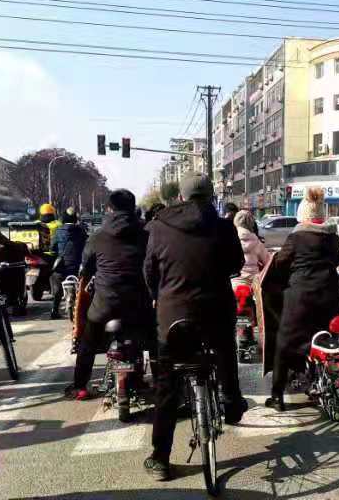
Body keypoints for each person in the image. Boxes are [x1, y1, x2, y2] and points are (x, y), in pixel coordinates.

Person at [144, 172, 247, 480]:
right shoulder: (224, 226)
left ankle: (160, 459)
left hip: (173, 315)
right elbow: (237, 264)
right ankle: (231, 403)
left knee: (167, 384)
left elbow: (149, 271)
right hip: (216, 311)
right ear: (211, 196)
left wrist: (158, 294)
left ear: (181, 197)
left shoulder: (159, 226)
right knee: (225, 349)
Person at [67, 190, 154, 400]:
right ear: (133, 208)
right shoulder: (146, 234)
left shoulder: (97, 236)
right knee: (154, 340)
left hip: (105, 303)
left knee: (87, 342)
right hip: (138, 303)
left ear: (109, 209)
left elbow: (86, 269)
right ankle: (162, 383)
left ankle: (80, 386)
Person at [266, 187, 339, 412]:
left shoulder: (297, 237)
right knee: (333, 340)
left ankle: (277, 396)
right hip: (332, 297)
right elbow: (337, 260)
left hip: (302, 298)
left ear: (303, 215)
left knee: (284, 343)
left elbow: (280, 263)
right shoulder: (331, 237)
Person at [49, 210, 88, 319]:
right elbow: (87, 247)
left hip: (62, 267)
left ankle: (54, 310)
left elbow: (52, 248)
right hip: (77, 266)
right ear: (75, 219)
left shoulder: (58, 231)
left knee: (55, 281)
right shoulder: (81, 231)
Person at [232, 209, 270, 287]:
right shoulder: (256, 241)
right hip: (253, 281)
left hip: (235, 280)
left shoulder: (230, 239)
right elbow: (267, 261)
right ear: (251, 223)